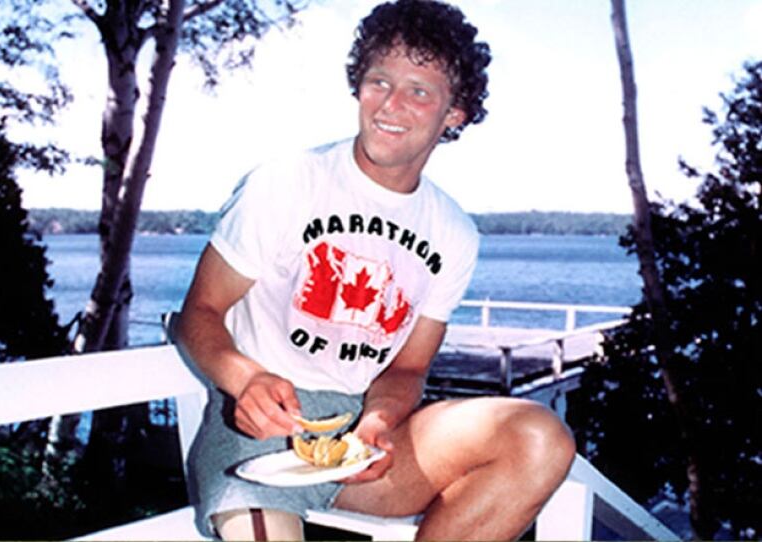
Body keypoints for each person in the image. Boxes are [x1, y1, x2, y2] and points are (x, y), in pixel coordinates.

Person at [177, 0, 576, 540]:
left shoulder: (453, 232)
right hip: (254, 441)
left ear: (453, 111)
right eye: (379, 81)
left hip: (366, 443)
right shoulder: (286, 182)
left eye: (419, 90)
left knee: (540, 437)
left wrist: (380, 423)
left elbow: (408, 370)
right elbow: (199, 313)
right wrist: (243, 379)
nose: (390, 104)